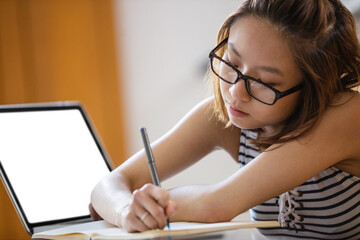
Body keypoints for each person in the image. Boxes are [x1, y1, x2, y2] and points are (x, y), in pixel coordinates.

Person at [90, 0, 360, 238]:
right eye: (231, 62)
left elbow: (215, 206)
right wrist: (126, 209)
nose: (236, 91)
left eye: (264, 81)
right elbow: (109, 185)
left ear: (315, 86)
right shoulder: (226, 118)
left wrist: (148, 207)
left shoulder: (348, 114)